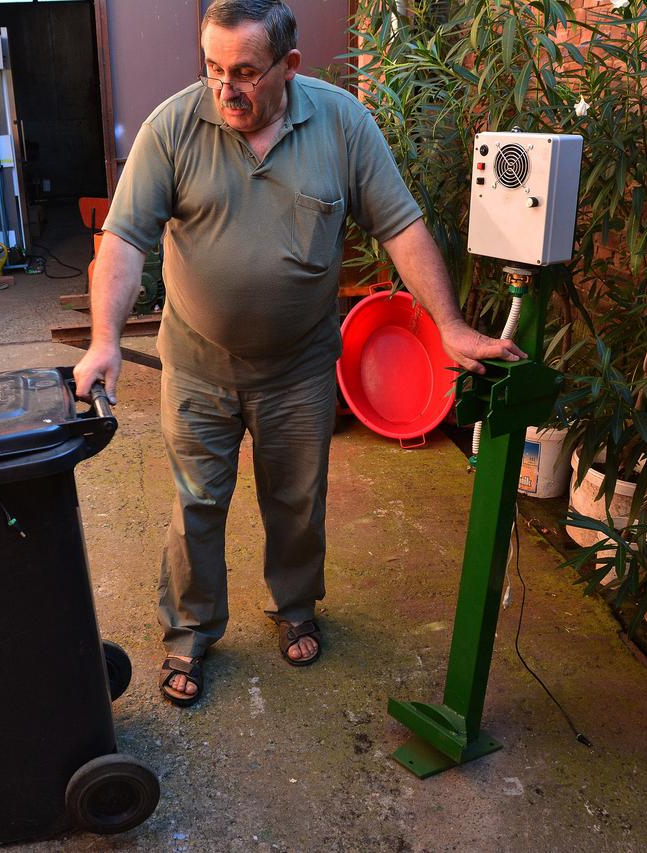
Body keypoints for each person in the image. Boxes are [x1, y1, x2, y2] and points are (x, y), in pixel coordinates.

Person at [72, 0, 524, 707]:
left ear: (289, 67)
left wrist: (452, 326)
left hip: (300, 367)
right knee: (197, 504)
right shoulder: (173, 127)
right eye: (214, 69)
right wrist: (105, 340)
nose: (227, 89)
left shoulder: (341, 123)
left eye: (246, 72)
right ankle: (189, 633)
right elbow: (125, 241)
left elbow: (401, 226)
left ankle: (294, 604)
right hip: (199, 365)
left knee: (296, 499)